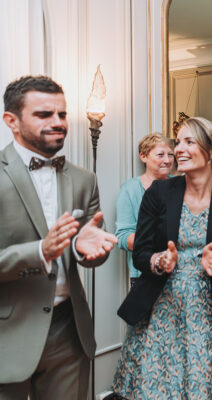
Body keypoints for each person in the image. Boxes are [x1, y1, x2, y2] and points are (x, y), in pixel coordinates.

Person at [0, 75, 117, 399]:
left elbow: (95, 243)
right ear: (12, 120)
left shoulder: (84, 179)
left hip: (69, 330)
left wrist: (87, 250)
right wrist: (40, 251)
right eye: (43, 114)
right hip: (7, 330)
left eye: (62, 114)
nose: (58, 122)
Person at [112, 117, 212, 399]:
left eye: (189, 142)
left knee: (199, 387)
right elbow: (141, 253)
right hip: (160, 307)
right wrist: (159, 261)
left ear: (211, 151)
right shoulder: (159, 193)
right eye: (178, 143)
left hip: (205, 310)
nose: (178, 150)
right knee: (155, 388)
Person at [115, 134, 173, 289]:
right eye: (160, 155)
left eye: (170, 154)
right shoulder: (130, 189)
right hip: (144, 274)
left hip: (179, 273)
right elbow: (122, 236)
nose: (167, 160)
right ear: (143, 156)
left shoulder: (180, 186)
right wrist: (159, 245)